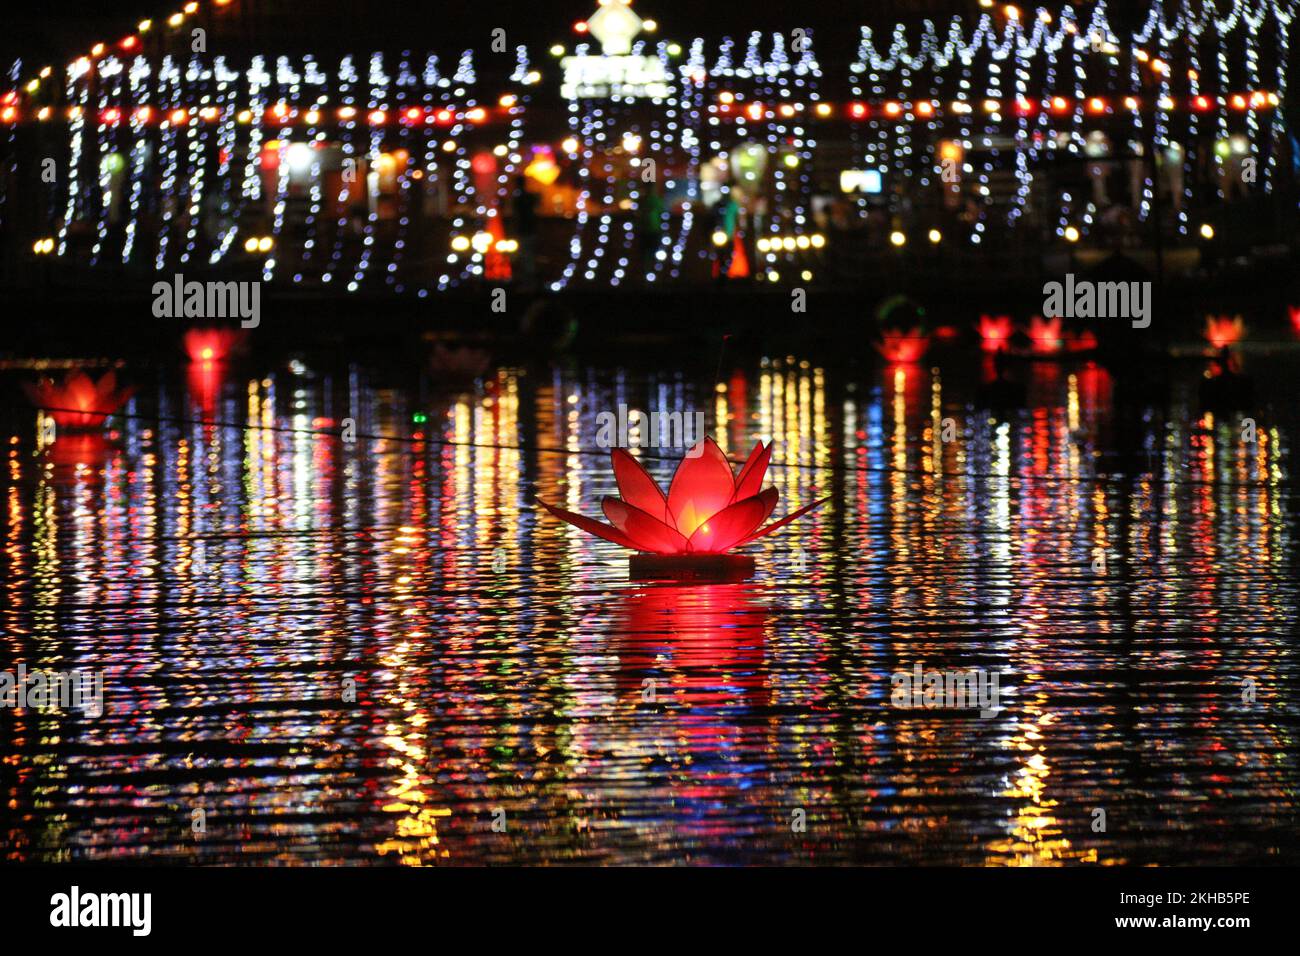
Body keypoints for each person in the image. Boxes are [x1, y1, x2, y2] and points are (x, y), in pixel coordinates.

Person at [512, 175, 539, 289]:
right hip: (529, 229)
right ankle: (529, 281)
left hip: (524, 230)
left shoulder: (519, 198)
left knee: (525, 255)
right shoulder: (528, 197)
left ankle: (528, 281)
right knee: (528, 255)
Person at [638, 181, 665, 279]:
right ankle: (649, 275)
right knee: (648, 254)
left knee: (650, 254)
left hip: (652, 230)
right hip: (648, 230)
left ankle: (651, 275)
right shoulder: (650, 200)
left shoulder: (647, 200)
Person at [712, 186, 739, 282]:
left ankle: (725, 272)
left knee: (728, 253)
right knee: (720, 254)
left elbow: (737, 217)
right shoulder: (717, 205)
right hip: (719, 234)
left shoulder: (733, 205)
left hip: (729, 234)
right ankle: (721, 273)